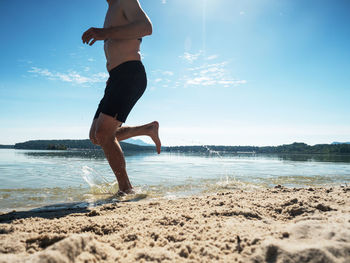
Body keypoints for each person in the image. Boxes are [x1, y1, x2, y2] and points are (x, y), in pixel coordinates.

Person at [82, 0, 161, 194]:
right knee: (96, 136)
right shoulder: (111, 10)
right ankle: (148, 129)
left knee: (103, 133)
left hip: (130, 74)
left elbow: (146, 27)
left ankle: (126, 189)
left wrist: (104, 33)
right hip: (116, 77)